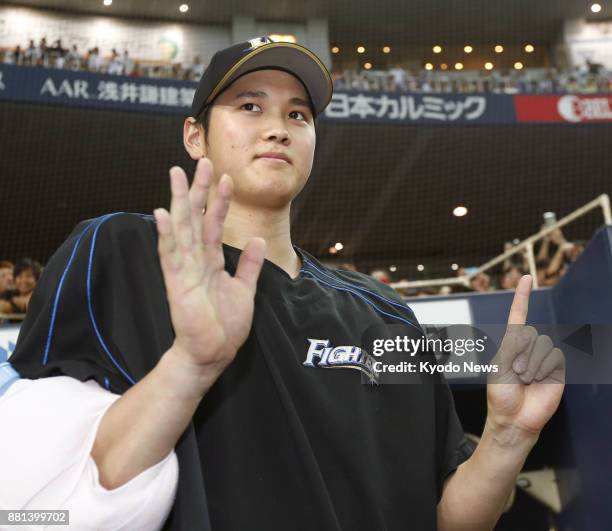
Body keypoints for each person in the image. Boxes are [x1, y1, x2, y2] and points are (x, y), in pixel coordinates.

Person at [2, 37, 565, 531]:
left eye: (299, 115)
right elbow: (49, 491)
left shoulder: (383, 311)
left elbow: (449, 516)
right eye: (250, 106)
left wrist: (507, 437)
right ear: (194, 136)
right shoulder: (119, 252)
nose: (278, 127)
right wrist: (190, 365)